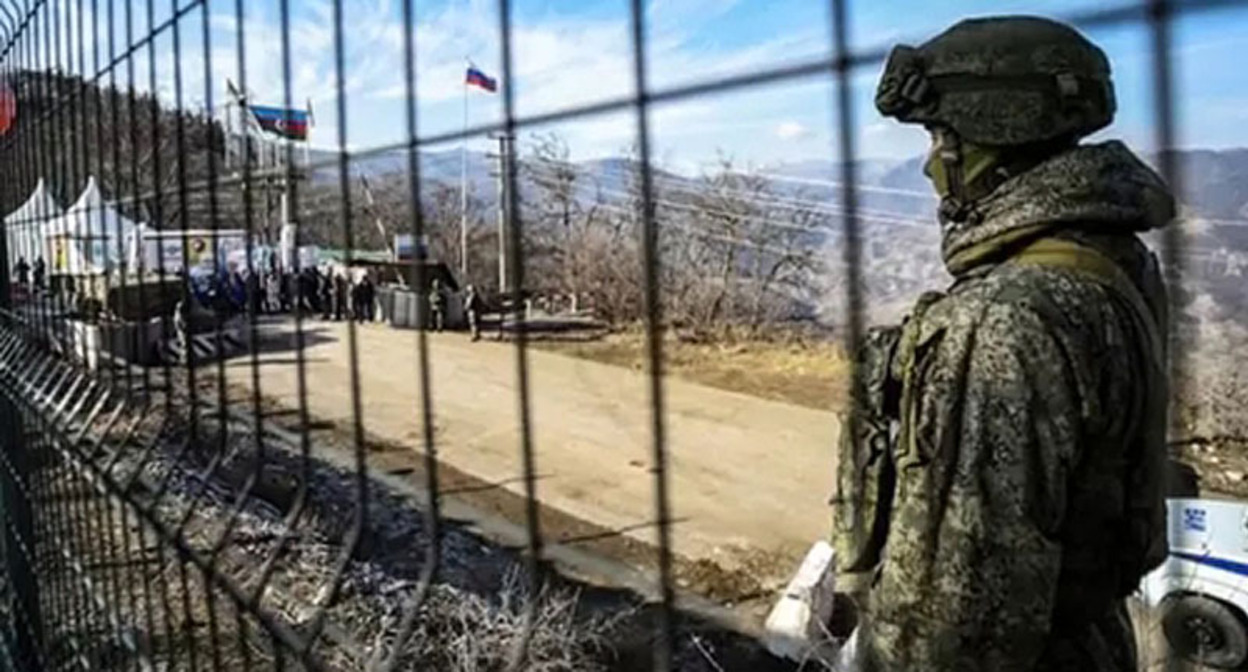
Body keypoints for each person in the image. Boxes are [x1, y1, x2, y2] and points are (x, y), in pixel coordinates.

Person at [831, 17, 1170, 672]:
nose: (931, 164)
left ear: (996, 135)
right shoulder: (1115, 266)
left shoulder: (1002, 319)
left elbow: (952, 631)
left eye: (941, 138)